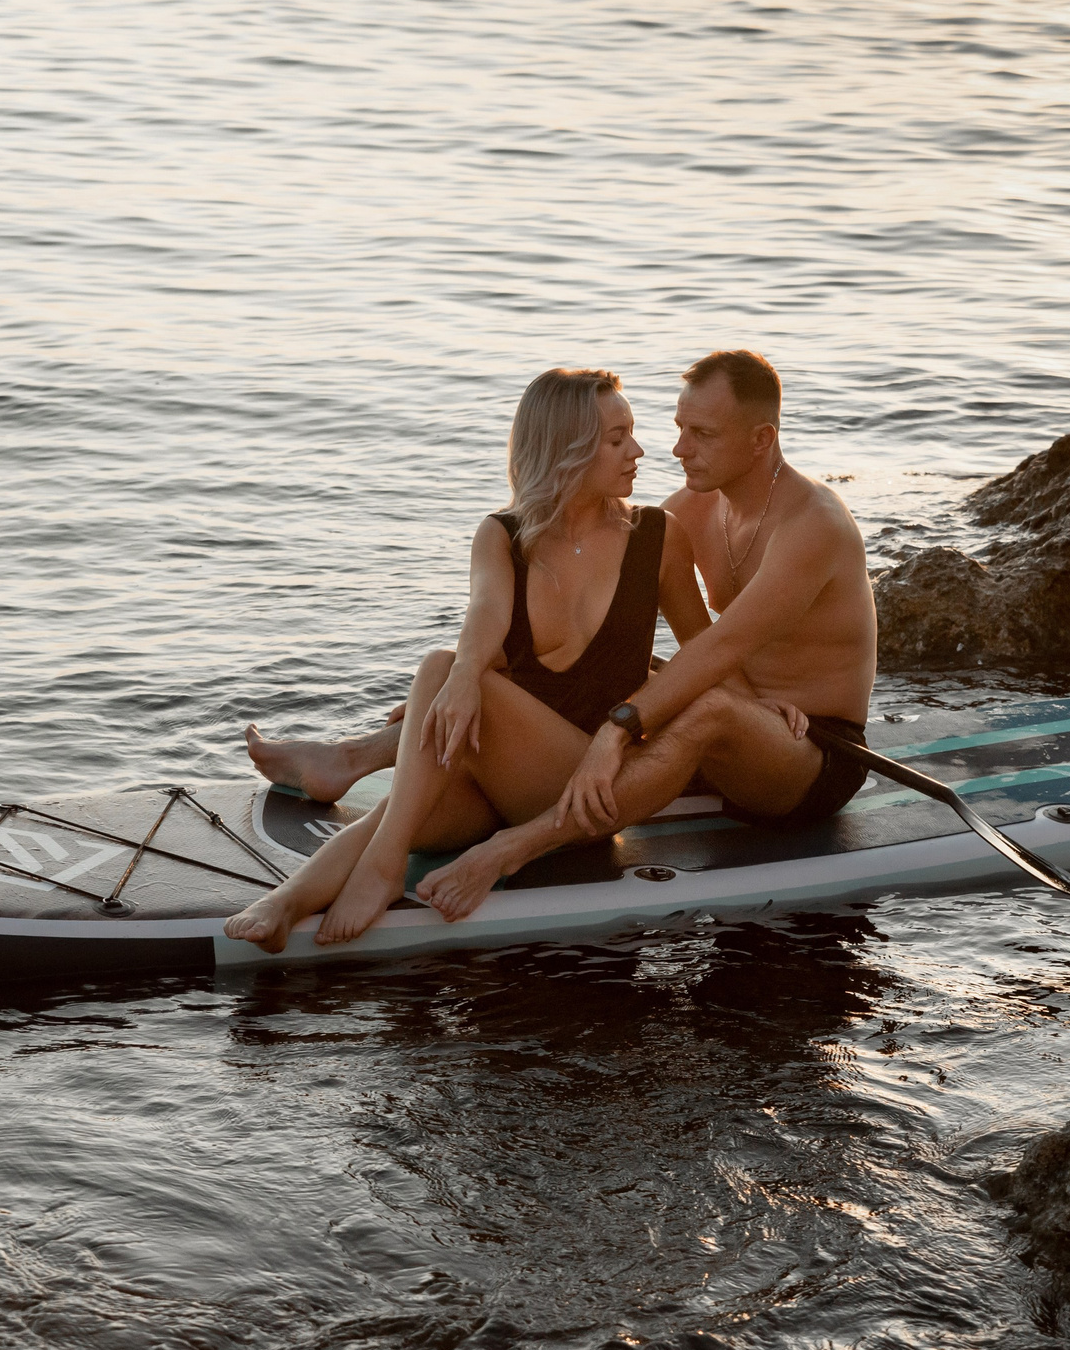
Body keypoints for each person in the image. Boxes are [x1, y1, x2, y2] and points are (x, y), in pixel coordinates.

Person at [222, 368, 709, 950]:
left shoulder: (658, 534)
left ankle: (375, 852)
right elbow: (486, 611)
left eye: (631, 433)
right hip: (505, 787)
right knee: (403, 807)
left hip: (584, 791)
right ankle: (288, 901)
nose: (637, 449)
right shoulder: (504, 535)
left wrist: (772, 707)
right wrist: (461, 677)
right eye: (616, 439)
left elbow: (703, 649)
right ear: (567, 450)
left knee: (436, 669)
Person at [413, 350, 877, 921]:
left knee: (702, 705)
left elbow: (721, 647)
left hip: (809, 750)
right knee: (593, 666)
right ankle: (370, 752)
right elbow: (642, 611)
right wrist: (466, 676)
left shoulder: (814, 526)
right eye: (680, 429)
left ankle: (516, 846)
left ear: (761, 440)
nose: (679, 449)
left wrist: (615, 734)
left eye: (702, 434)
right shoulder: (694, 511)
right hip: (738, 708)